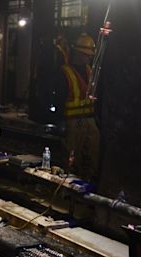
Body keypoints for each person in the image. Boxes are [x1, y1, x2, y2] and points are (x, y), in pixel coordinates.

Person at [54, 33, 100, 183]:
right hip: (72, 121)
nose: (88, 58)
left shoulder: (89, 71)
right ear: (78, 54)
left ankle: (86, 184)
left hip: (89, 119)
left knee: (92, 153)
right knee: (72, 156)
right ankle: (68, 185)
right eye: (85, 55)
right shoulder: (64, 71)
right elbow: (60, 97)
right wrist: (60, 120)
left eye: (89, 55)